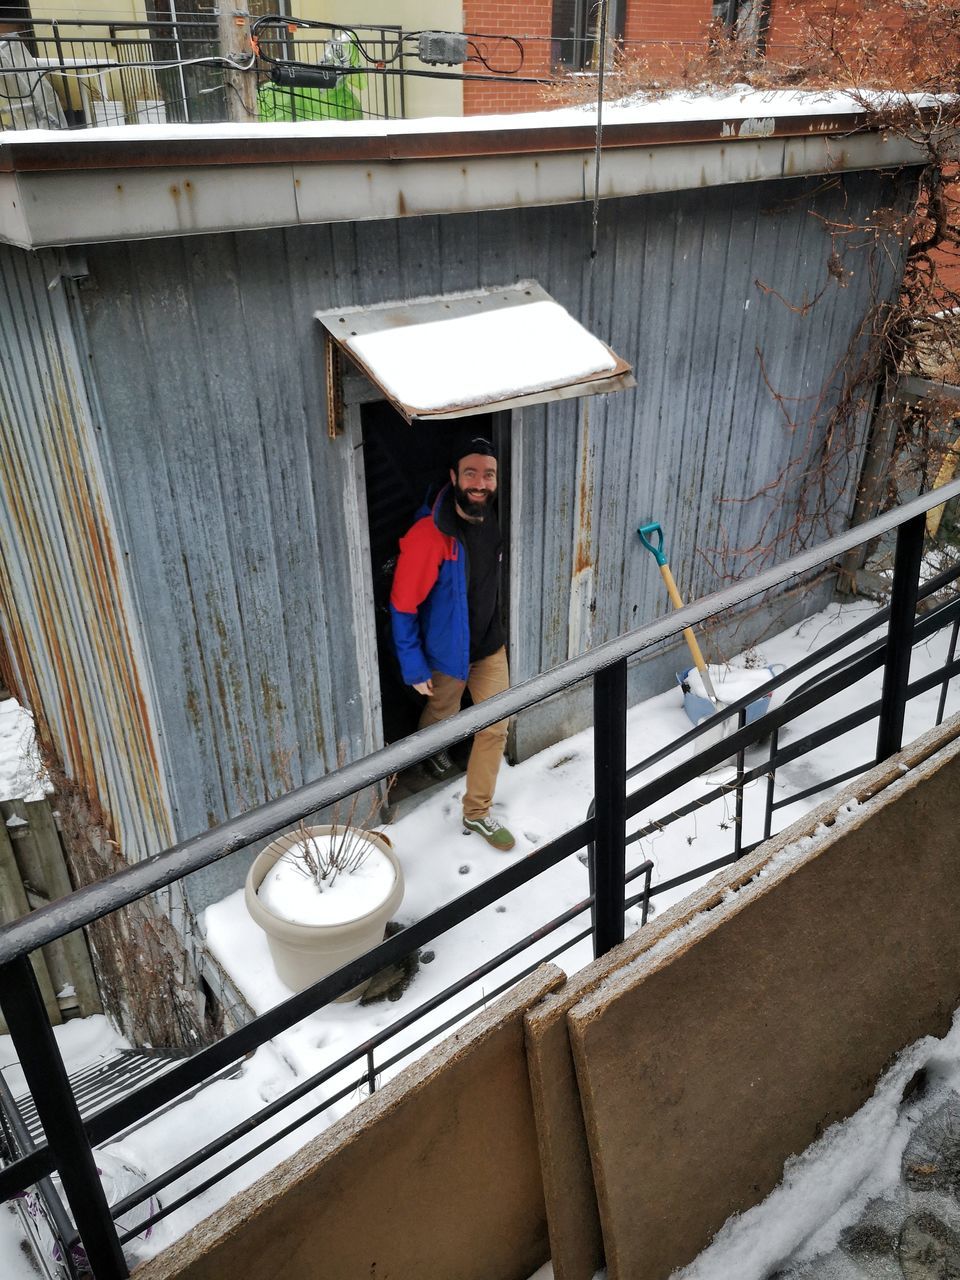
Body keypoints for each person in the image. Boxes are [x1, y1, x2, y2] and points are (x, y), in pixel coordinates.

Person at [390, 436, 515, 851]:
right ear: (454, 477)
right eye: (471, 473)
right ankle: (429, 752)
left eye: (488, 474)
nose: (480, 482)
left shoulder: (492, 516)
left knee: (495, 726)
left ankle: (477, 811)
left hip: (489, 646)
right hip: (446, 652)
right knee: (443, 711)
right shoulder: (429, 536)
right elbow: (403, 604)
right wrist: (414, 665)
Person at [0, 5, 66, 131]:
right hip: (16, 88)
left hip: (20, 87)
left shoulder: (12, 50)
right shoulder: (8, 48)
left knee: (33, 97)